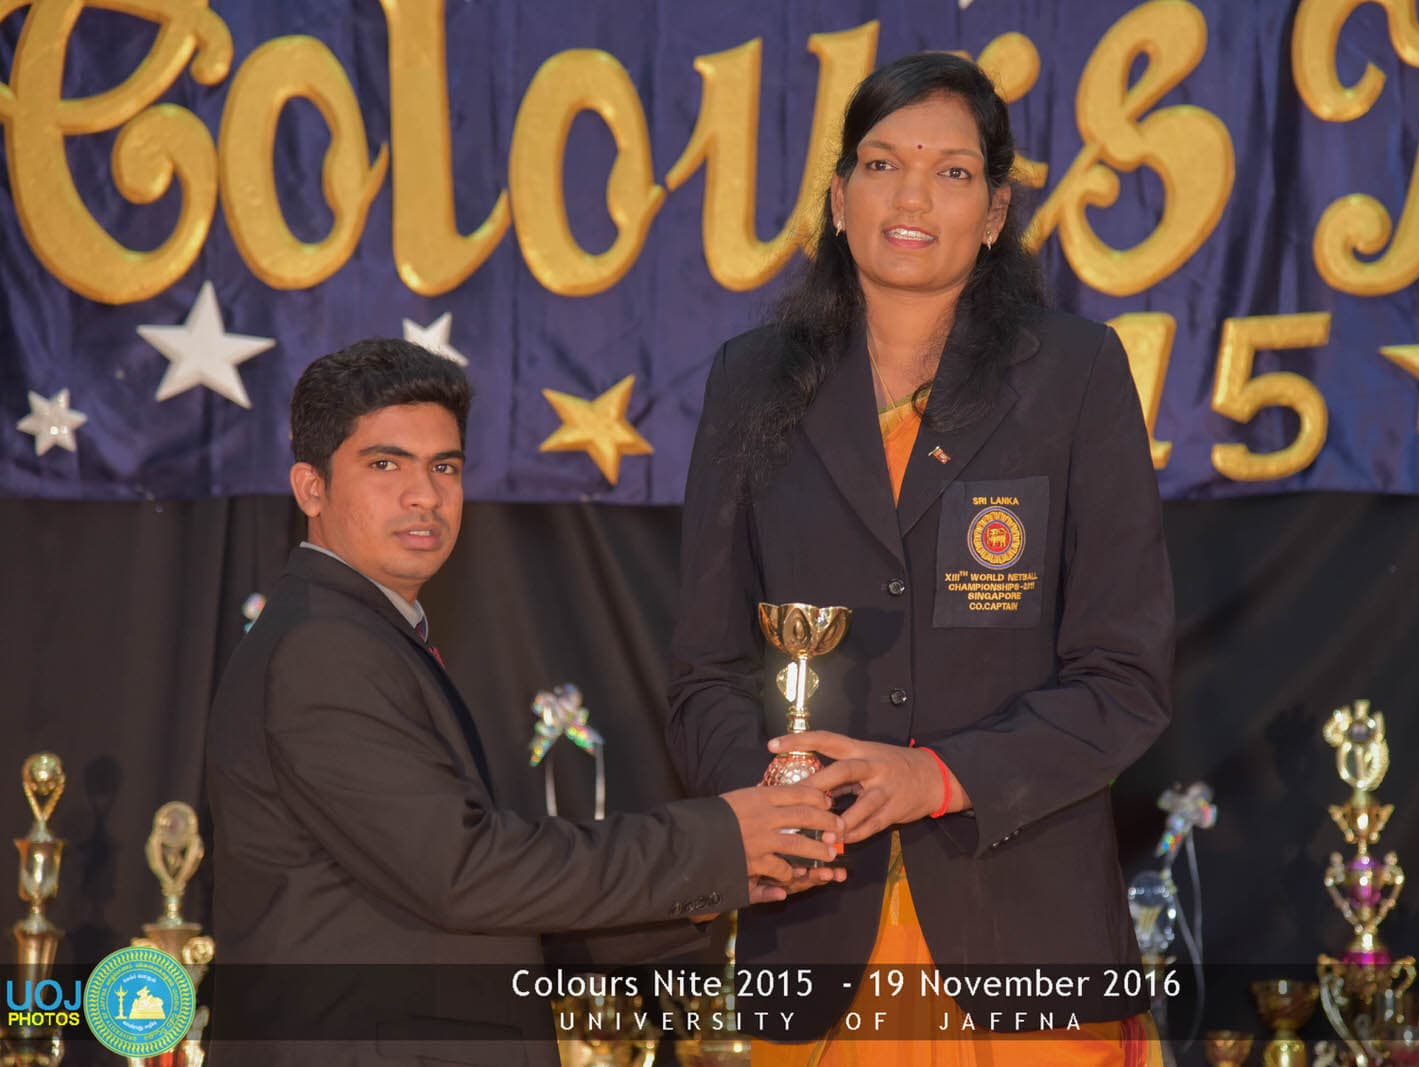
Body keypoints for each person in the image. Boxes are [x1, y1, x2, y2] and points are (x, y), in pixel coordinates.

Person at [667, 53, 1174, 1063]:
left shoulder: (1074, 375)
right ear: (837, 198)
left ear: (994, 212)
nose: (911, 196)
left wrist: (938, 775)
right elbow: (705, 674)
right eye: (882, 164)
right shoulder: (750, 380)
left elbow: (1126, 677)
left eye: (951, 172)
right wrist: (774, 802)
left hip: (1024, 933)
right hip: (814, 927)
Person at [205, 339, 843, 1066]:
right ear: (310, 487)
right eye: (385, 465)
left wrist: (712, 881)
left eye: (444, 467)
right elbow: (463, 875)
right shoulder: (325, 647)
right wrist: (714, 843)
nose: (425, 495)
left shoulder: (363, 632)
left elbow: (463, 908)